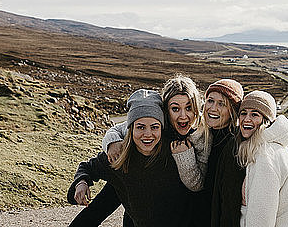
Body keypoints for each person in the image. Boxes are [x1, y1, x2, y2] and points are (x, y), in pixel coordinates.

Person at [69, 75, 201, 227]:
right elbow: (101, 201)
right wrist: (82, 181)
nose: (148, 133)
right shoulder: (122, 154)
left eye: (189, 107)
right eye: (175, 108)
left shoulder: (187, 145)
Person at [212, 90, 288, 227]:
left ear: (266, 120)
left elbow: (261, 217)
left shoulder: (265, 156)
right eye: (243, 113)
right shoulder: (271, 147)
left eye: (255, 114)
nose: (247, 119)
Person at [171, 78, 244, 226]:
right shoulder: (203, 134)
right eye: (210, 101)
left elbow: (229, 203)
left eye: (221, 104)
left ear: (233, 111)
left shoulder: (233, 146)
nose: (213, 108)